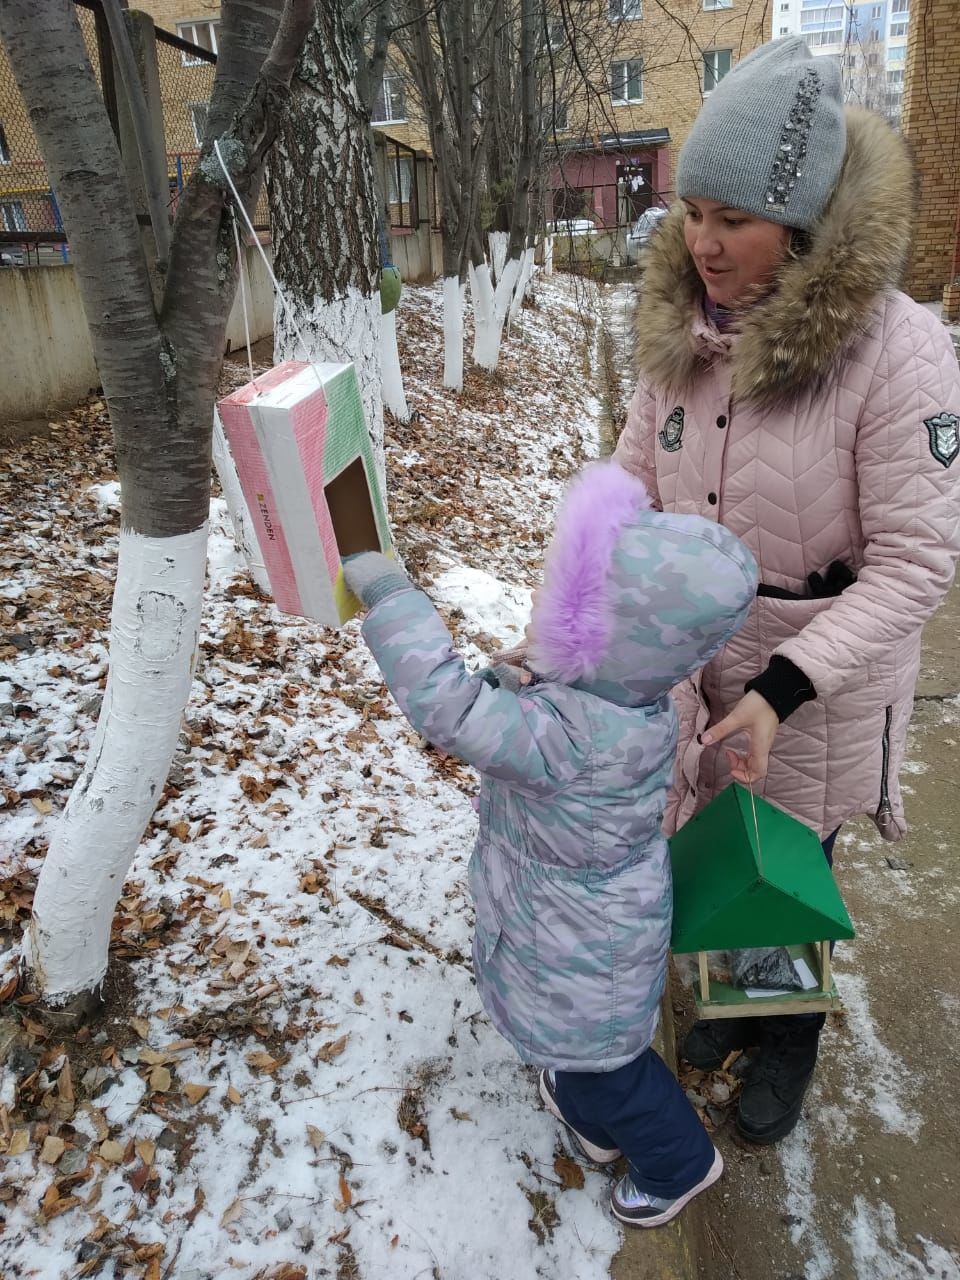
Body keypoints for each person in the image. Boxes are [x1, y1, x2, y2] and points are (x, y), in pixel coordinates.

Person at [615, 35, 960, 1145]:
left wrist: (779, 687)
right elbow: (630, 482)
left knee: (790, 863)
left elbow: (918, 559)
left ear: (800, 221)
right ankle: (736, 997)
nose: (704, 245)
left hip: (817, 676)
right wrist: (581, 609)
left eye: (733, 219)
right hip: (701, 661)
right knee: (721, 843)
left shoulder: (894, 350)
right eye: (693, 212)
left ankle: (790, 1031)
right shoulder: (680, 333)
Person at [343, 460, 758, 1227]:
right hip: (585, 924)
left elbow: (451, 709)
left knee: (609, 1071)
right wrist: (521, 678)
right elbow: (538, 702)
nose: (546, 610)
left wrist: (395, 599)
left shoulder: (570, 735)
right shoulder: (628, 698)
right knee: (587, 1059)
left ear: (605, 633)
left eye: (568, 602)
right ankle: (597, 1130)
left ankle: (680, 1166)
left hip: (576, 943)